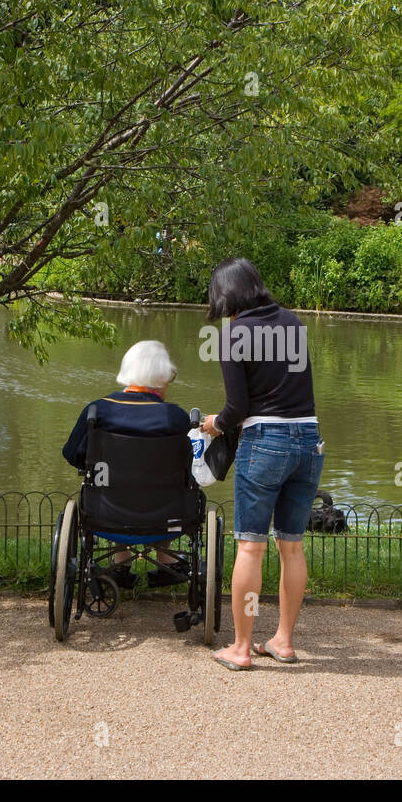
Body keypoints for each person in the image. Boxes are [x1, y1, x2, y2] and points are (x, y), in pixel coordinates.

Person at [201, 258, 323, 671]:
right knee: (291, 544)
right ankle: (284, 642)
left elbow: (237, 407)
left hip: (265, 444)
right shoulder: (293, 324)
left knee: (251, 546)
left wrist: (214, 425)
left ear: (227, 295)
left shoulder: (233, 335)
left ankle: (240, 647)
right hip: (309, 440)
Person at [62, 340, 191, 589]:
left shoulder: (98, 411)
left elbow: (72, 454)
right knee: (164, 487)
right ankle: (166, 560)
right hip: (165, 514)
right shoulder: (176, 418)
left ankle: (120, 563)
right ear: (162, 376)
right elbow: (190, 467)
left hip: (107, 513)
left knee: (111, 484)